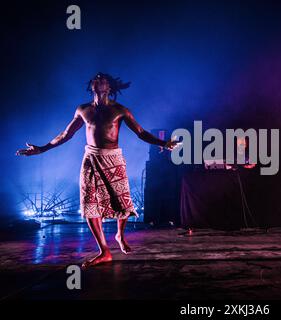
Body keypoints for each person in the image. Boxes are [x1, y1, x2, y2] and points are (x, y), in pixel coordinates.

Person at [16, 72, 179, 268]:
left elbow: (141, 132)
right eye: (95, 78)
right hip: (91, 159)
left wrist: (164, 143)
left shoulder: (120, 110)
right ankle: (104, 251)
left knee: (122, 202)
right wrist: (42, 148)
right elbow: (65, 134)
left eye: (102, 79)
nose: (97, 79)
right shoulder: (83, 109)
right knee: (90, 203)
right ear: (91, 85)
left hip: (113, 159)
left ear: (109, 87)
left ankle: (120, 235)